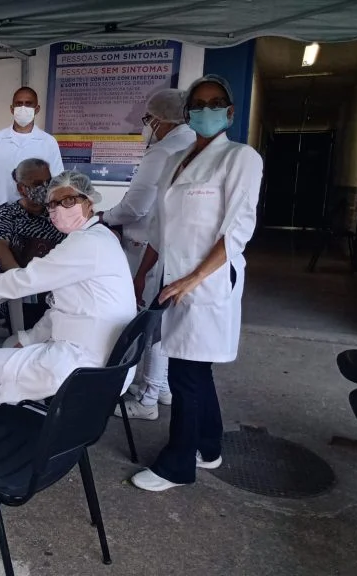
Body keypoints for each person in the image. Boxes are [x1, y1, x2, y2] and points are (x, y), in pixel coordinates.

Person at [130, 75, 263, 492]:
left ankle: (177, 465)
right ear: (187, 114)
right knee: (196, 369)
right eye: (198, 104)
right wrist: (143, 272)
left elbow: (237, 230)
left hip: (206, 282)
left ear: (230, 111)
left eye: (215, 102)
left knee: (186, 374)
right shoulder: (175, 159)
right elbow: (158, 226)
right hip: (172, 279)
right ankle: (208, 446)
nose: (207, 110)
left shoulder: (240, 158)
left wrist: (194, 278)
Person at [0, 171, 136, 405]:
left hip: (86, 363)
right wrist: (29, 338)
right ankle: (32, 409)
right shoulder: (99, 236)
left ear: (89, 202)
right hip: (103, 355)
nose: (59, 209)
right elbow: (62, 309)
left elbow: (26, 280)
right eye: (52, 204)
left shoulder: (86, 243)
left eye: (69, 200)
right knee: (11, 344)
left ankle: (29, 417)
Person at [105, 89, 197, 421]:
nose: (147, 126)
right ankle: (161, 387)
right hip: (179, 247)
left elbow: (135, 207)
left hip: (149, 246)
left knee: (151, 320)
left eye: (149, 119)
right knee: (164, 317)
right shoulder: (193, 144)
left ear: (161, 120)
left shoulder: (162, 152)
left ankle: (148, 398)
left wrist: (104, 217)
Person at [0, 157, 65, 328]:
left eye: (48, 182)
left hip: (56, 290)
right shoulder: (8, 215)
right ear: (21, 188)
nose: (45, 188)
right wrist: (25, 282)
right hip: (21, 294)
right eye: (37, 184)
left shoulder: (57, 214)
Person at [0, 87, 64, 215]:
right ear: (12, 109)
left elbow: (58, 181)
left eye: (28, 104)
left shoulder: (48, 142)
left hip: (37, 216)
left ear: (37, 109)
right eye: (19, 104)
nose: (23, 108)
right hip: (1, 214)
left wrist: (57, 213)